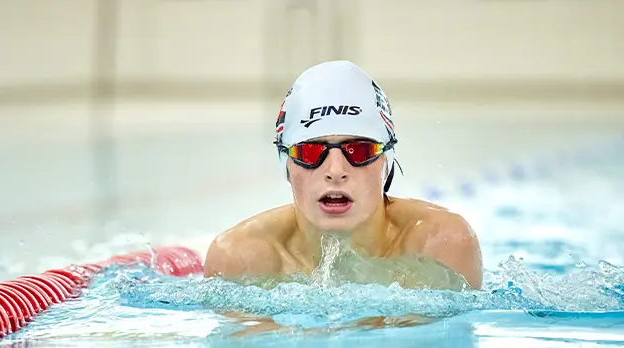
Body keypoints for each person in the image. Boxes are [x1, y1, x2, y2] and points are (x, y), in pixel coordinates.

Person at [203, 60, 483, 293]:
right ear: (286, 164)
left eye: (358, 150)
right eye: (311, 152)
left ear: (386, 160)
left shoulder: (441, 246)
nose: (335, 171)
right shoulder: (239, 260)